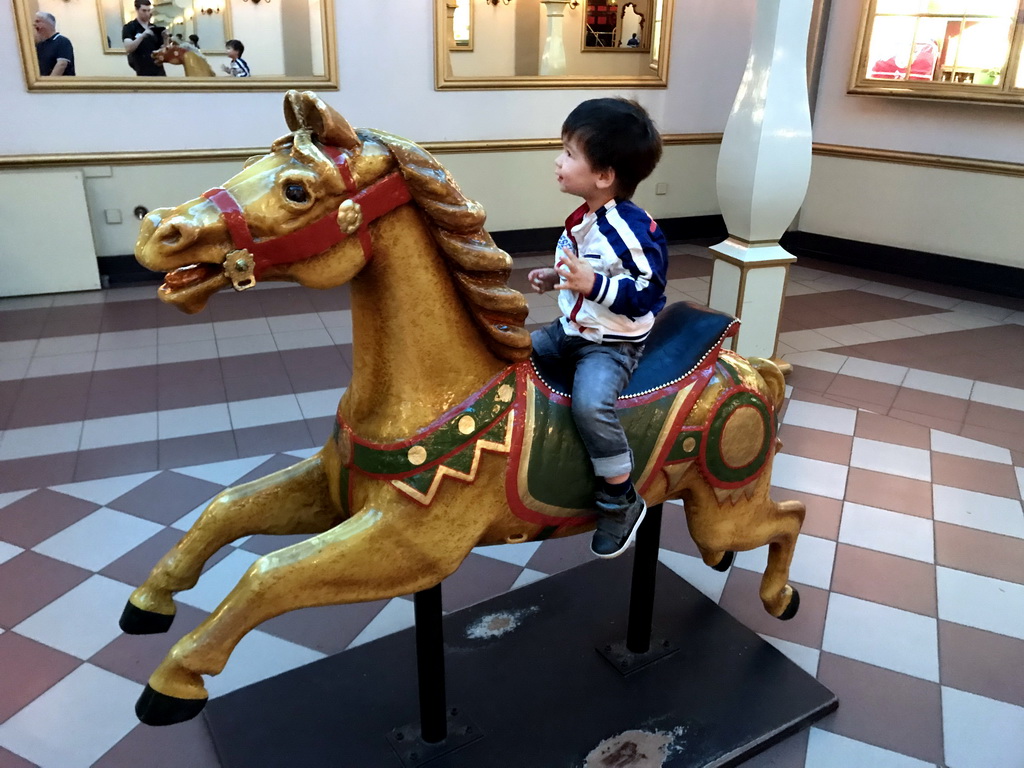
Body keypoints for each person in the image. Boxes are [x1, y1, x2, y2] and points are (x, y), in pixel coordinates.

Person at [528, 98, 667, 559]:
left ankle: (619, 499)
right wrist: (557, 278)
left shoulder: (631, 230)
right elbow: (584, 270)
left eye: (569, 153)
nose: (558, 161)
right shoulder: (585, 216)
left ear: (604, 175)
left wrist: (595, 285)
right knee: (512, 352)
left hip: (608, 345)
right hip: (572, 330)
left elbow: (649, 291)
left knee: (591, 407)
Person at [122, 0, 166, 77]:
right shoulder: (130, 27)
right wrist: (142, 36)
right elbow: (128, 48)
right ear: (137, 10)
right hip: (142, 70)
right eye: (144, 10)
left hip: (159, 70)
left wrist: (166, 38)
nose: (147, 14)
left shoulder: (154, 28)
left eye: (149, 10)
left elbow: (163, 50)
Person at [34, 12, 75, 76]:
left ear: (48, 24)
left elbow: (62, 64)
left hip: (61, 84)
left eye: (38, 21)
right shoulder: (40, 45)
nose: (34, 25)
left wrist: (49, 83)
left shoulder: (62, 41)